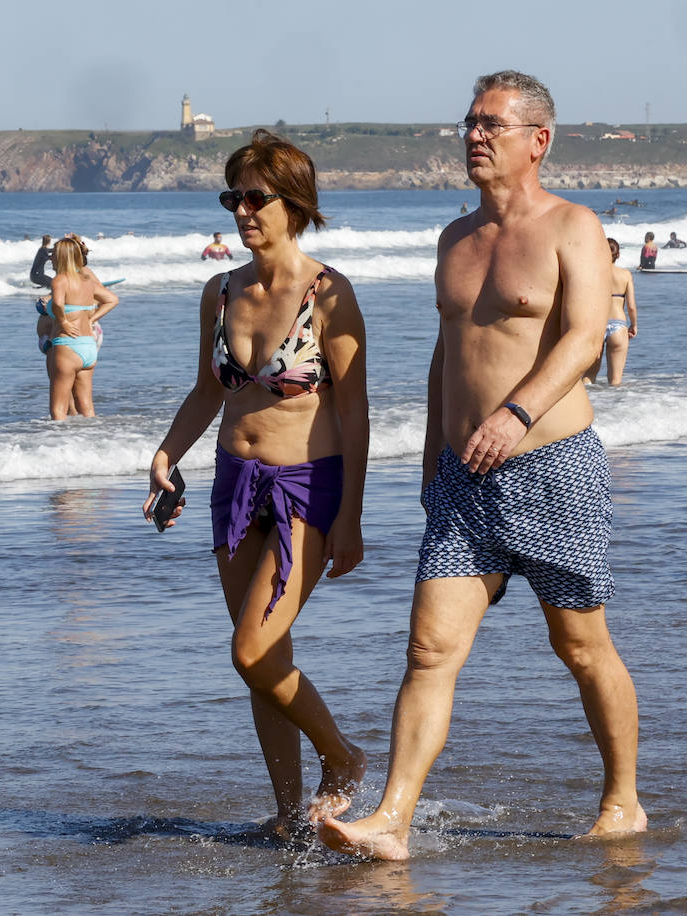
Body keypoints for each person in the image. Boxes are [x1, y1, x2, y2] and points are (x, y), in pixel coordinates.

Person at [319, 70, 645, 861]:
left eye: (490, 124)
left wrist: (517, 412)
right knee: (429, 649)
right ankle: (392, 819)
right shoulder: (454, 238)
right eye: (468, 122)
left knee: (580, 647)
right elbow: (449, 351)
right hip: (463, 482)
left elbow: (582, 335)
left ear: (537, 140)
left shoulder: (573, 226)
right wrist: (434, 450)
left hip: (553, 464)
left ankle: (623, 800)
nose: (473, 136)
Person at [143, 130, 369, 841]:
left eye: (255, 197)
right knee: (266, 660)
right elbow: (208, 392)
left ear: (293, 203)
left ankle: (343, 756)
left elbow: (355, 411)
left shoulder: (329, 294)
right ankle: (287, 813)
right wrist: (165, 455)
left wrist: (353, 518)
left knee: (249, 650)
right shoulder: (220, 290)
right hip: (233, 484)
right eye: (232, 197)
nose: (241, 210)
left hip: (309, 485)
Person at [46, 236, 118, 420]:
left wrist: (63, 322)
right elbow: (112, 299)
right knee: (87, 408)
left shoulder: (60, 280)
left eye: (53, 253)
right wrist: (91, 319)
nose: (50, 257)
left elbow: (58, 305)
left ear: (61, 256)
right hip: (88, 345)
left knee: (58, 410)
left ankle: (58, 446)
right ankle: (90, 442)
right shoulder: (87, 281)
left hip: (67, 345)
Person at [585, 238, 638, 386]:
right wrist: (634, 325)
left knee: (588, 377)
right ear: (618, 255)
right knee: (615, 381)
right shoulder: (626, 275)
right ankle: (613, 408)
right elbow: (631, 306)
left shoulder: (592, 273)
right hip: (619, 326)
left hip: (597, 324)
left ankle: (592, 406)